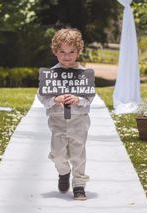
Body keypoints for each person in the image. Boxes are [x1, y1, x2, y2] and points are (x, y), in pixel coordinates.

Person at [37, 28, 94, 200]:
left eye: (71, 52)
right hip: (57, 120)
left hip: (79, 120)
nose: (67, 56)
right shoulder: (50, 74)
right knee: (58, 154)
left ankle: (79, 185)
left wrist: (78, 99)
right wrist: (55, 99)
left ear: (78, 52)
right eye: (62, 51)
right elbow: (42, 96)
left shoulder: (84, 74)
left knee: (78, 154)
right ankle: (64, 172)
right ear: (55, 51)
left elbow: (89, 96)